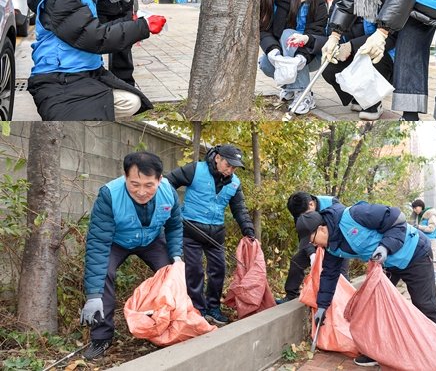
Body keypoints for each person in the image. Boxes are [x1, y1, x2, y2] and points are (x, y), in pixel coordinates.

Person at [27, 0, 163, 121]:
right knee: (127, 102)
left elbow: (92, 28)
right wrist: (143, 26)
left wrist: (129, 15)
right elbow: (95, 37)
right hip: (61, 77)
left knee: (132, 100)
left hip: (79, 72)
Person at [296, 201, 436, 367]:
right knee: (372, 307)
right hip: (388, 265)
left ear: (322, 228)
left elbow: (397, 218)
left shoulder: (354, 215)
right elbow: (329, 275)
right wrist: (322, 306)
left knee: (425, 304)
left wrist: (385, 247)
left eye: (312, 241)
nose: (314, 245)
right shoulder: (332, 247)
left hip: (414, 253)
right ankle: (379, 351)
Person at [80, 152, 183, 360]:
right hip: (116, 242)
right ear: (125, 177)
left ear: (160, 180)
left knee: (171, 275)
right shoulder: (109, 194)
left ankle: (170, 326)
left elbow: (174, 226)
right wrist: (93, 295)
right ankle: (101, 338)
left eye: (149, 185)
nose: (142, 192)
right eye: (134, 184)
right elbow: (98, 244)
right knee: (105, 274)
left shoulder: (168, 193)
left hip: (151, 240)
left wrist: (177, 256)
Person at [165, 144, 255, 327]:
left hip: (216, 233)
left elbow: (239, 209)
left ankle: (213, 308)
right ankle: (198, 309)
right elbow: (167, 183)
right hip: (191, 229)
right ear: (217, 158)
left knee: (218, 270)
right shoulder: (195, 170)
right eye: (228, 165)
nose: (230, 170)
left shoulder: (234, 182)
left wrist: (248, 230)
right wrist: (174, 210)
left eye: (234, 167)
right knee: (194, 271)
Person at [321, 0, 396, 120]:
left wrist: (351, 46)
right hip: (352, 53)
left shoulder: (376, 0)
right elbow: (329, 34)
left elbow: (389, 38)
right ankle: (357, 96)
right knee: (329, 68)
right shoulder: (338, 5)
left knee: (369, 55)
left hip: (383, 56)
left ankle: (373, 102)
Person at [259, 0, 328, 115]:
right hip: (284, 53)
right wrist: (273, 52)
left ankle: (303, 94)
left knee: (288, 35)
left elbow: (319, 29)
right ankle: (289, 87)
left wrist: (302, 53)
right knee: (266, 64)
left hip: (312, 53)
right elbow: (263, 29)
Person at [276, 192, 349, 303]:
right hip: (314, 241)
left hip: (336, 242)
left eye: (306, 214)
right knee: (296, 261)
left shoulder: (331, 203)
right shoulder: (299, 214)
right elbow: (304, 236)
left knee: (340, 275)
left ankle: (344, 302)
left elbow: (343, 229)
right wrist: (311, 254)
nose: (304, 217)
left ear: (311, 204)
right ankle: (291, 295)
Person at [409, 199, 436, 264]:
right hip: (423, 241)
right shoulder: (418, 216)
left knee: (431, 263)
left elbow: (431, 228)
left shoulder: (431, 214)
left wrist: (419, 227)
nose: (414, 210)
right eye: (413, 208)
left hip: (431, 241)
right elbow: (411, 224)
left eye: (415, 208)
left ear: (420, 206)